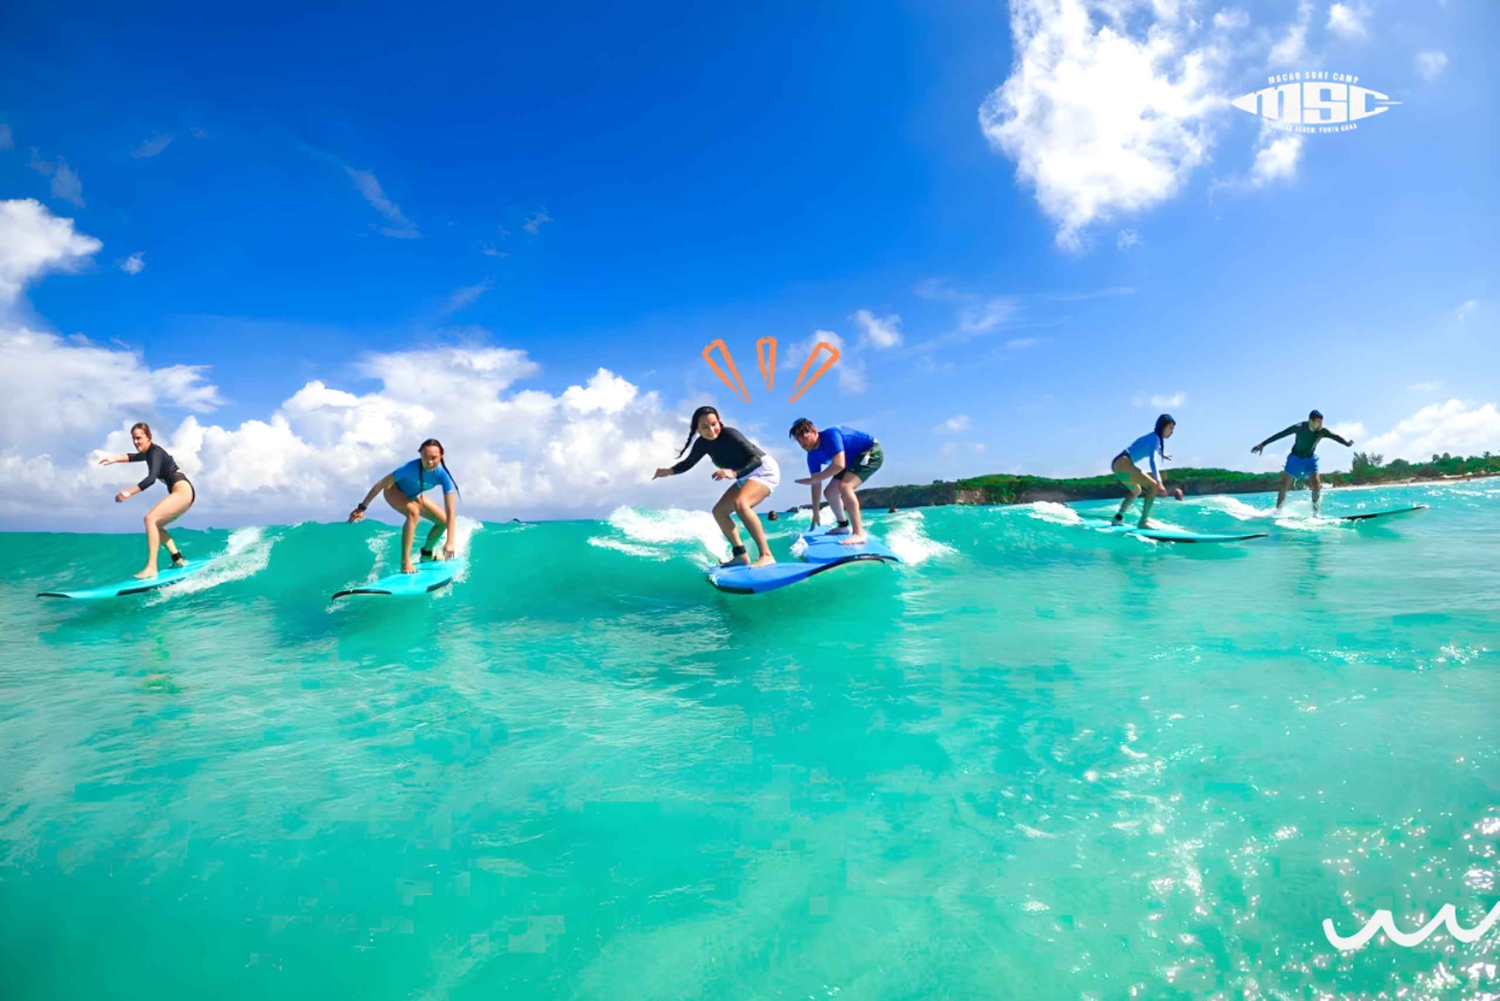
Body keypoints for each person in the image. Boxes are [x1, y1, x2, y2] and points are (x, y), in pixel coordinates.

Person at [653, 406, 779, 568]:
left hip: (762, 470)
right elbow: (688, 463)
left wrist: (733, 473)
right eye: (704, 427)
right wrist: (668, 471)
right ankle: (741, 555)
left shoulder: (730, 434)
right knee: (719, 512)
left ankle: (767, 555)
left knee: (741, 504)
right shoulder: (702, 444)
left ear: (719, 420)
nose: (711, 430)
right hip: (743, 475)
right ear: (697, 429)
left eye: (714, 424)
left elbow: (756, 460)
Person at [97, 422, 197, 579]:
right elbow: (133, 457)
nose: (136, 442)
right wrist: (115, 459)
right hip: (184, 492)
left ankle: (151, 568)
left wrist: (129, 492)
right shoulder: (150, 453)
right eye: (133, 439)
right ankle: (177, 558)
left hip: (182, 490)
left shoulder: (154, 452)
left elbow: (151, 479)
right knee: (154, 526)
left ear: (149, 437)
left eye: (139, 438)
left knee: (149, 518)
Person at [348, 439, 460, 573]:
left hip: (413, 494)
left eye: (434, 458)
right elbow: (381, 484)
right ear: (420, 454)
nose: (429, 462)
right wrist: (362, 507)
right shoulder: (408, 468)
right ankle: (405, 563)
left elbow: (451, 509)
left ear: (441, 455)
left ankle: (426, 553)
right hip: (393, 490)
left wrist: (450, 542)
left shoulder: (443, 475)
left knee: (444, 521)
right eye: (425, 457)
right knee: (414, 512)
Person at [790, 419, 883, 545]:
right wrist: (816, 513)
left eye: (803, 437)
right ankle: (843, 525)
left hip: (871, 451)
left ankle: (859, 533)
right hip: (849, 461)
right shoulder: (812, 456)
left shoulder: (831, 435)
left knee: (846, 486)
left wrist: (815, 479)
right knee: (830, 492)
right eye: (798, 440)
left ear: (814, 431)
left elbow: (839, 465)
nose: (802, 443)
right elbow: (816, 484)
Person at [1251, 409, 1353, 514]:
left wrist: (1346, 443)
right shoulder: (1300, 427)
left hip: (1310, 458)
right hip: (1295, 458)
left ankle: (1315, 513)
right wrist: (1262, 444)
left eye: (1321, 422)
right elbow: (1281, 434)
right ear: (1310, 421)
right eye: (1318, 422)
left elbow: (1335, 436)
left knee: (1316, 484)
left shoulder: (1322, 431)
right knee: (1284, 484)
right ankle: (1278, 512)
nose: (1320, 425)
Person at [1110, 414, 1174, 528]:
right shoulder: (1155, 438)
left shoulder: (1153, 438)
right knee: (1153, 486)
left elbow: (1154, 449)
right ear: (1162, 427)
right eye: (1170, 428)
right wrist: (1159, 482)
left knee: (1136, 490)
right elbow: (1152, 460)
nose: (1171, 431)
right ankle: (1143, 521)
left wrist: (1163, 454)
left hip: (1118, 464)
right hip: (1123, 462)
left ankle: (1117, 517)